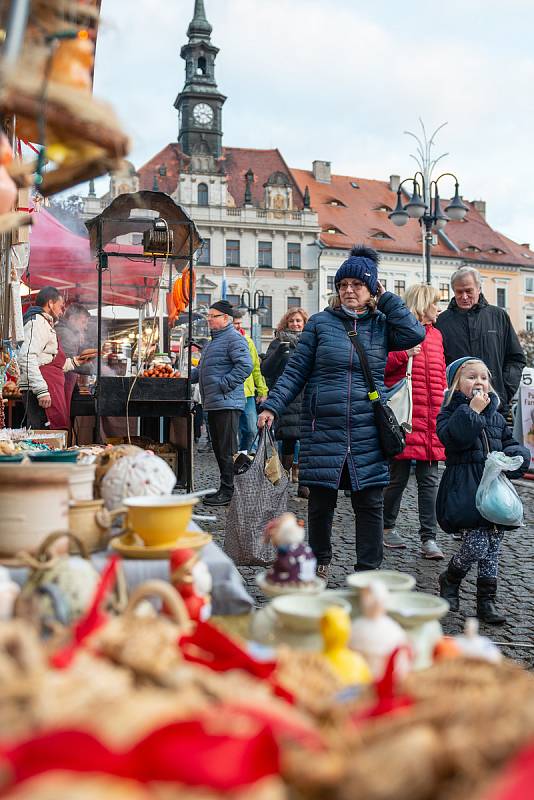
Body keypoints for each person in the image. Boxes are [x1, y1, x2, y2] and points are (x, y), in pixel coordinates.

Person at [257, 246, 425, 582]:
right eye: (343, 284)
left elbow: (414, 333)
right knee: (320, 501)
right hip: (324, 426)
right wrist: (272, 406)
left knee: (369, 502)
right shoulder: (320, 324)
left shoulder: (381, 325)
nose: (348, 290)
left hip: (367, 427)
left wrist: (385, 296)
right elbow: (295, 372)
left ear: (371, 289)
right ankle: (318, 561)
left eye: (357, 285)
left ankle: (368, 570)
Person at [436, 357, 530, 624]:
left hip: (495, 490)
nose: (479, 382)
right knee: (476, 544)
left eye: (484, 377)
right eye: (471, 377)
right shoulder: (450, 412)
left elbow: (510, 441)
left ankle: (486, 602)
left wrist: (517, 457)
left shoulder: (496, 415)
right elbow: (456, 437)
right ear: (455, 385)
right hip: (466, 487)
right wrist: (472, 411)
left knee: (493, 548)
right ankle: (451, 577)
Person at [383, 284, 447, 559]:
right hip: (405, 417)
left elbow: (441, 374)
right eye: (435, 303)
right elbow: (380, 364)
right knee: (396, 478)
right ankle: (386, 527)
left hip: (431, 418)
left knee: (429, 480)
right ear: (422, 304)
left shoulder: (437, 335)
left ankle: (429, 538)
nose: (439, 309)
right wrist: (404, 354)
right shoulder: (397, 331)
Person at [435, 266, 525, 414]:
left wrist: (504, 391)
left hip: (495, 406)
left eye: (468, 291)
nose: (464, 296)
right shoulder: (442, 322)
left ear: (479, 288)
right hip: (457, 408)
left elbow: (516, 358)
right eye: (459, 292)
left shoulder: (498, 316)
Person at [191, 300, 252, 507]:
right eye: (209, 315)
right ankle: (225, 488)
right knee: (219, 448)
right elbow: (203, 370)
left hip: (226, 402)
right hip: (214, 402)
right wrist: (184, 377)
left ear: (226, 319)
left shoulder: (234, 339)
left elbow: (245, 366)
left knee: (227, 450)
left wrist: (224, 385)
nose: (209, 319)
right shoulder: (213, 342)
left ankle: (231, 491)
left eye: (213, 316)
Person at [18, 286, 92, 429]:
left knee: (51, 434)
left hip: (48, 386)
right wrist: (42, 391)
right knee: (44, 437)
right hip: (39, 390)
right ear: (50, 304)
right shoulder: (37, 322)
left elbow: (51, 362)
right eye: (60, 306)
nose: (62, 310)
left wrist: (76, 361)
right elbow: (27, 357)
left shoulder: (46, 323)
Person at [261, 306, 310, 499]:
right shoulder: (278, 342)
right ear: (286, 323)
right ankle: (282, 480)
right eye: (292, 321)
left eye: (299, 321)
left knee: (307, 442)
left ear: (304, 323)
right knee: (288, 440)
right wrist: (279, 352)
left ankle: (304, 484)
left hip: (306, 396)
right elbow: (267, 369)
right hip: (287, 397)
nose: (295, 324)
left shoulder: (310, 342)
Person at [230, 308, 268, 452]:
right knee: (234, 431)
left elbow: (256, 368)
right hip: (230, 393)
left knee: (251, 429)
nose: (238, 326)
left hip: (248, 394)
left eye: (239, 323)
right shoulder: (221, 341)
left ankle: (246, 455)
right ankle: (238, 458)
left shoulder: (248, 342)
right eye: (235, 323)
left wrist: (262, 390)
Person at [56, 303, 93, 413]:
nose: (85, 327)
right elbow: (69, 361)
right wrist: (94, 369)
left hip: (66, 382)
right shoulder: (65, 333)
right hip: (62, 382)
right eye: (83, 322)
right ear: (72, 319)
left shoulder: (69, 332)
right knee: (61, 416)